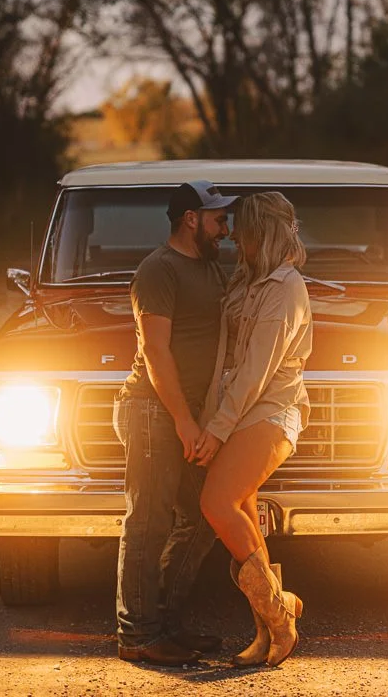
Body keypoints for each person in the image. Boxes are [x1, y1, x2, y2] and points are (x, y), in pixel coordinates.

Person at [113, 180, 236, 666]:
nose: (225, 229)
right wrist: (185, 422)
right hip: (152, 409)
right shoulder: (157, 271)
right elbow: (155, 351)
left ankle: (163, 623)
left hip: (188, 416)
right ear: (192, 219)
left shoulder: (209, 267)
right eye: (219, 219)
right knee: (147, 520)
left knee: (206, 512)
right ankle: (137, 635)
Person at [192, 192, 312, 667]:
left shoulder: (286, 288)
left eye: (243, 228)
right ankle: (268, 632)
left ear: (264, 231)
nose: (234, 235)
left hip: (271, 410)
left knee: (216, 503)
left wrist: (218, 429)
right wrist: (209, 418)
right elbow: (226, 361)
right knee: (239, 508)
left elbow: (258, 371)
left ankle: (281, 616)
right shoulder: (247, 281)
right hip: (241, 411)